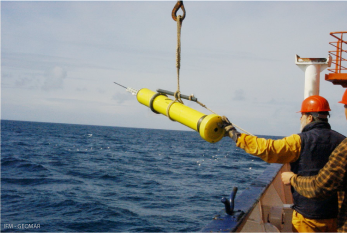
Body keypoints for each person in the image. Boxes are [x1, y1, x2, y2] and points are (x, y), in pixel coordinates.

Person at [221, 95, 346, 233]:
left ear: (309, 118)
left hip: (307, 218)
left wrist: (236, 135)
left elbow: (268, 148)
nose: (300, 119)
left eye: (302, 115)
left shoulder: (299, 140)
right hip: (337, 218)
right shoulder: (342, 141)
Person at [281, 89, 347, 233]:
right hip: (333, 216)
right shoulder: (341, 140)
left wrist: (292, 179)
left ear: (309, 117)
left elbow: (319, 187)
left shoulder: (345, 148)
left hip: (309, 214)